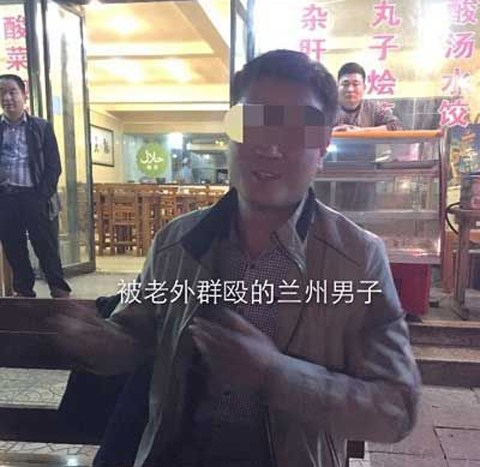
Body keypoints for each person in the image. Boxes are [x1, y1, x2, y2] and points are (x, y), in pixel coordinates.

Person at [51, 50, 420, 467]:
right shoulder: (176, 242)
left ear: (323, 145)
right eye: (253, 123)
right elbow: (136, 335)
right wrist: (100, 344)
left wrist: (275, 375)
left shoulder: (357, 259)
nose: (270, 147)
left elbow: (397, 407)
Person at [0, 74, 71, 298]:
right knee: (14, 247)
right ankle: (24, 291)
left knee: (46, 246)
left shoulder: (41, 127)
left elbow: (53, 166)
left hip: (35, 196)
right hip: (6, 197)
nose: (7, 97)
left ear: (24, 95)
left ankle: (58, 289)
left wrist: (42, 196)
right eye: (2, 93)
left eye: (12, 92)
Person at [333, 62, 402, 131]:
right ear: (337, 87)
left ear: (364, 87)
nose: (350, 89)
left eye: (355, 84)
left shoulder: (373, 108)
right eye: (345, 84)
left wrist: (361, 131)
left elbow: (396, 125)